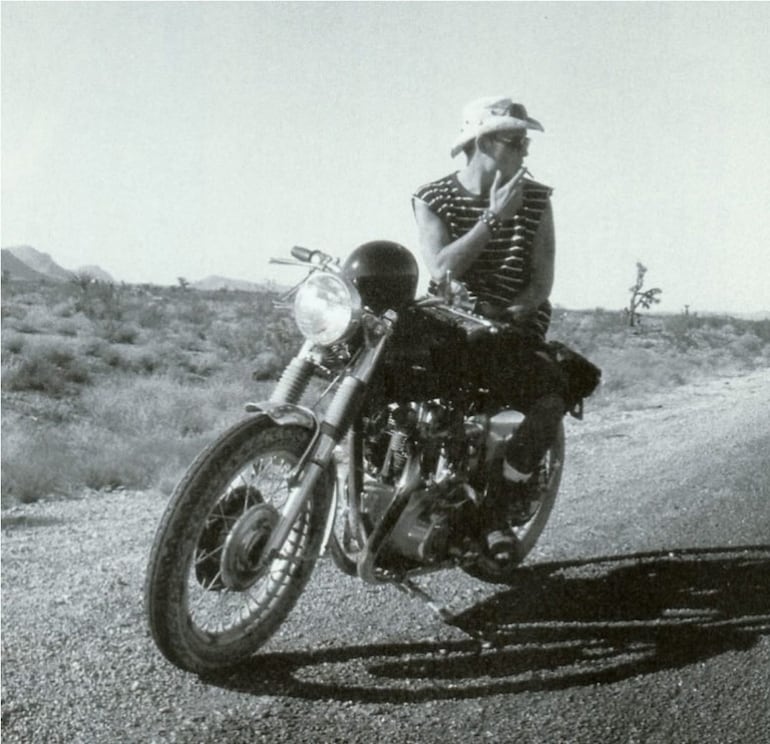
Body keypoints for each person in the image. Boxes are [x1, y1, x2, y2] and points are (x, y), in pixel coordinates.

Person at [412, 96, 568, 557]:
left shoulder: (537, 199)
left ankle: (496, 509)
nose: (524, 150)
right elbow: (442, 271)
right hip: (452, 318)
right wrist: (492, 217)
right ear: (480, 141)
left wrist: (507, 317)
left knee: (551, 395)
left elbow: (541, 282)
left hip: (511, 323)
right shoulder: (433, 197)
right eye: (514, 139)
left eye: (525, 141)